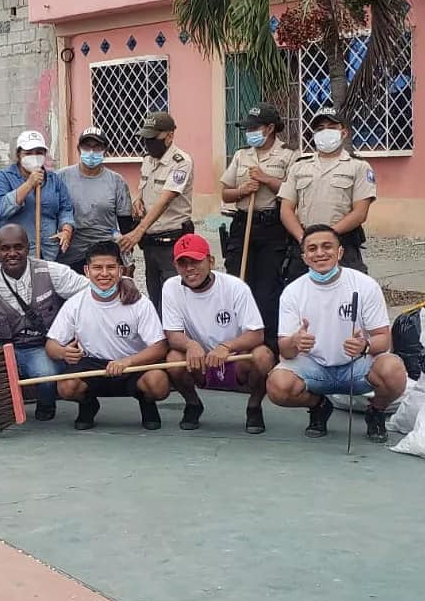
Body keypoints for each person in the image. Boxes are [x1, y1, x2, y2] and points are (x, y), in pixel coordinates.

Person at [0, 224, 139, 420]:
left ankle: (46, 403)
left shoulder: (51, 271)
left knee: (45, 372)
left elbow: (92, 286)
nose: (12, 253)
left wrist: (123, 281)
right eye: (5, 248)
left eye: (18, 247)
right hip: (3, 347)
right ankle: (1, 403)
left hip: (41, 347)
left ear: (28, 247)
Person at [266, 224, 407, 443]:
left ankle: (376, 411)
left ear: (340, 252)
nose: (320, 253)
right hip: (314, 367)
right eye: (312, 249)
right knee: (278, 386)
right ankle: (319, 406)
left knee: (394, 370)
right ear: (304, 257)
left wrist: (365, 346)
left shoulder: (365, 285)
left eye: (327, 246)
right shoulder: (292, 292)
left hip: (357, 366)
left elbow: (383, 338)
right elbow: (285, 350)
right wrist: (295, 341)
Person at [46, 240, 169, 431]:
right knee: (66, 387)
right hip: (93, 365)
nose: (104, 273)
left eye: (110, 267)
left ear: (120, 270)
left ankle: (147, 403)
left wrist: (127, 362)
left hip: (132, 364)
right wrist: (63, 352)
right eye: (97, 268)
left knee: (158, 383)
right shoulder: (75, 304)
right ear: (86, 271)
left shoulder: (139, 302)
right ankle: (88, 405)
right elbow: (51, 345)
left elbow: (159, 347)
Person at [161, 233, 276, 433]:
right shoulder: (170, 287)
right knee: (173, 358)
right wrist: (190, 345)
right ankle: (193, 403)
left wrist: (226, 347)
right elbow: (172, 334)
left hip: (235, 358)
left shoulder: (235, 287)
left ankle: (254, 406)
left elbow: (256, 334)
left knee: (263, 356)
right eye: (183, 263)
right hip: (200, 361)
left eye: (196, 261)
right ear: (175, 266)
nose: (189, 268)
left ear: (211, 261)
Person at [220, 103, 296, 349]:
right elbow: (225, 193)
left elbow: (293, 192)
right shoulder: (242, 155)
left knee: (267, 290)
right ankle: (237, 344)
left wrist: (267, 180)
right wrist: (242, 190)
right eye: (248, 128)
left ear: (270, 128)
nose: (249, 132)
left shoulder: (289, 155)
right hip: (243, 225)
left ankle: (267, 347)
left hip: (271, 227)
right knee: (238, 284)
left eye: (254, 128)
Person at [278, 105, 377, 281]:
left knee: (347, 292)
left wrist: (327, 237)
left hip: (342, 245)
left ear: (343, 133)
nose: (325, 132)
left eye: (331, 127)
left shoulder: (359, 167)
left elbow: (360, 213)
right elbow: (286, 209)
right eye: (320, 129)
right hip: (304, 245)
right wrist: (304, 239)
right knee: (300, 293)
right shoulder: (299, 166)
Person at [117, 112, 193, 315]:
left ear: (169, 136)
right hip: (151, 243)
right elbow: (144, 188)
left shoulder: (181, 162)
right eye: (146, 138)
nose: (149, 143)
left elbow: (165, 200)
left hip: (173, 241)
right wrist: (137, 201)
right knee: (155, 297)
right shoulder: (148, 160)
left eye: (153, 138)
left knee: (173, 303)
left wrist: (138, 231)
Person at [57, 126, 134, 274]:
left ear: (105, 150)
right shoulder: (61, 177)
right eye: (87, 147)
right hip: (70, 256)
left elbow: (125, 225)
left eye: (97, 147)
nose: (91, 152)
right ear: (79, 149)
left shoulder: (116, 182)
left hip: (105, 255)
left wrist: (128, 260)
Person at [0, 130, 74, 260]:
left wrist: (66, 229)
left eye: (39, 152)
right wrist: (29, 184)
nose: (34, 157)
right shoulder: (3, 178)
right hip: (15, 254)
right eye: (28, 153)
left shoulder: (53, 180)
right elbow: (0, 210)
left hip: (49, 252)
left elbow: (65, 208)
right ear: (19, 154)